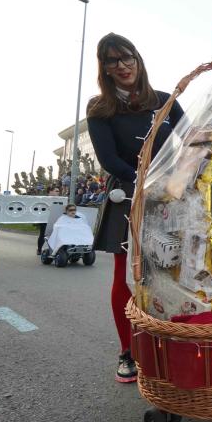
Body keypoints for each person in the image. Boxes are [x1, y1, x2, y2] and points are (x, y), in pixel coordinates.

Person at [87, 33, 184, 383]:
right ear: (105, 69)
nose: (122, 65)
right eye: (112, 61)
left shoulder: (165, 100)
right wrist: (147, 183)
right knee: (127, 276)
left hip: (174, 199)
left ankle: (172, 345)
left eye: (127, 57)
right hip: (128, 197)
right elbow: (110, 159)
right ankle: (127, 350)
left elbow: (190, 142)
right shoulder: (100, 108)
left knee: (175, 275)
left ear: (138, 59)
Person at [36, 186, 61, 255]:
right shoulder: (44, 199)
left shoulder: (60, 199)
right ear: (50, 191)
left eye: (58, 191)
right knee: (43, 234)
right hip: (45, 219)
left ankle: (54, 250)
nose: (58, 192)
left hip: (55, 219)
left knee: (55, 235)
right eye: (56, 191)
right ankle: (39, 249)